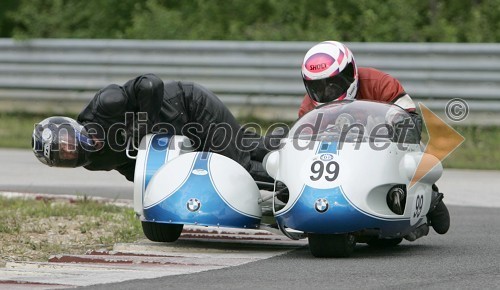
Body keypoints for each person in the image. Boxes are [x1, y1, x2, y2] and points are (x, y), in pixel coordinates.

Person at [298, 40, 450, 236]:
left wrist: (387, 135)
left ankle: (428, 195)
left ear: (350, 73)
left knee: (413, 149)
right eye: (318, 86)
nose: (326, 92)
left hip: (381, 149)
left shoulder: (380, 83)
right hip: (340, 160)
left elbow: (411, 122)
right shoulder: (308, 106)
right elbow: (304, 146)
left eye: (333, 84)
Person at [32, 74, 272, 183]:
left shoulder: (106, 105)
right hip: (178, 138)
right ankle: (295, 149)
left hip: (190, 107)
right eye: (64, 156)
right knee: (250, 147)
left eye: (66, 142)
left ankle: (296, 188)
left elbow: (151, 84)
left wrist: (142, 126)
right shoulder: (95, 163)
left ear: (71, 127)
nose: (70, 150)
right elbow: (131, 167)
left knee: (238, 168)